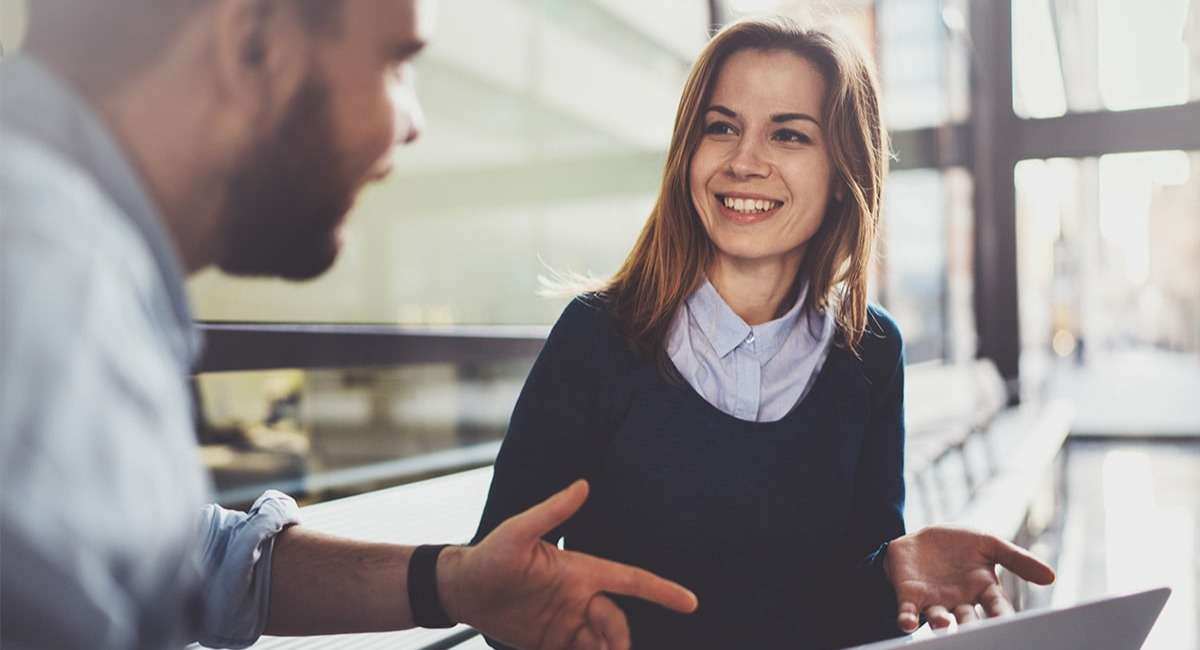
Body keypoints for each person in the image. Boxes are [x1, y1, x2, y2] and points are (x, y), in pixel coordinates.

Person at [0, 2, 700, 649]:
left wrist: (454, 583)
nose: (414, 122)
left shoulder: (71, 264)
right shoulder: (52, 303)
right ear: (252, 47)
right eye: (397, 62)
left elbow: (191, 558)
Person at [472, 17, 1055, 649]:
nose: (745, 161)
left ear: (843, 174)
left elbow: (847, 608)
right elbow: (502, 596)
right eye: (721, 127)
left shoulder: (871, 349)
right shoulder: (597, 336)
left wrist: (894, 572)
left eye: (789, 135)